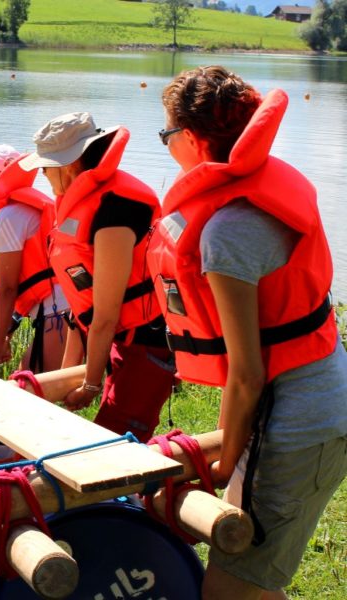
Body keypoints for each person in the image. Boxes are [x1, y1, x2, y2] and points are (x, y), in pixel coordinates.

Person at [147, 66, 347, 599]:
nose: (167, 146)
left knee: (227, 589)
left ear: (190, 138)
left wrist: (226, 459)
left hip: (299, 425)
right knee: (255, 580)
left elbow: (248, 373)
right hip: (313, 401)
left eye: (165, 136)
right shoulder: (269, 183)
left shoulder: (226, 231)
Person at [19, 112, 175, 440]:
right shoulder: (85, 202)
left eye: (45, 167)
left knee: (115, 445)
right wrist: (71, 372)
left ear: (69, 165)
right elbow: (84, 305)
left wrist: (90, 385)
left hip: (147, 346)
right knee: (105, 437)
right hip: (121, 342)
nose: (43, 175)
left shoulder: (116, 211)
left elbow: (105, 314)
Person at [0, 144, 68, 372]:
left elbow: (8, 288)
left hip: (58, 311)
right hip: (66, 305)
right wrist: (6, 332)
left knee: (27, 390)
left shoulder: (9, 215)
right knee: (31, 387)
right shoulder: (29, 206)